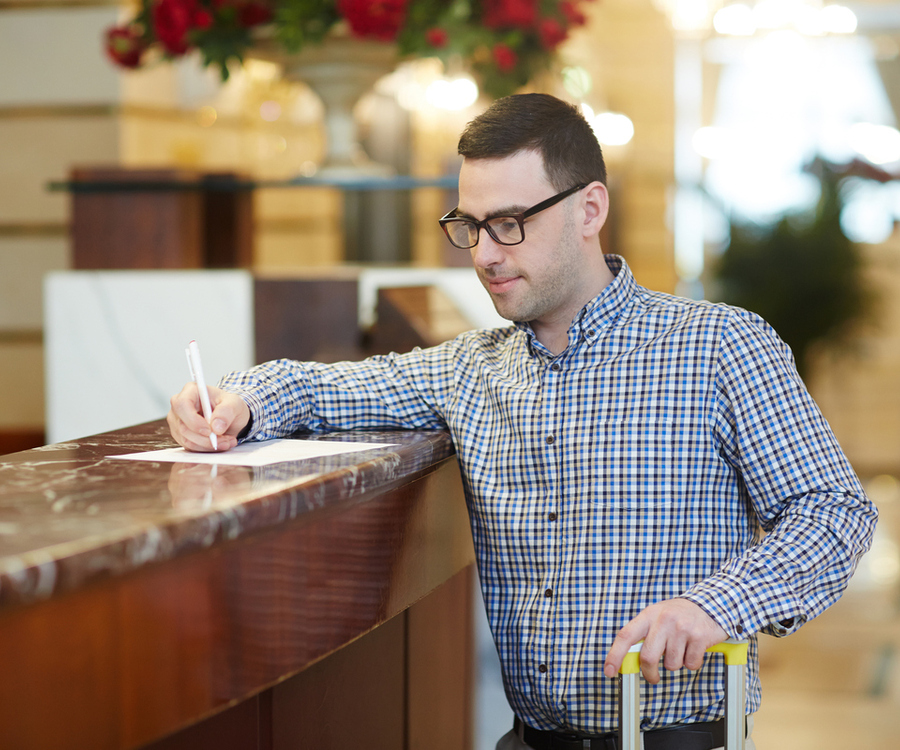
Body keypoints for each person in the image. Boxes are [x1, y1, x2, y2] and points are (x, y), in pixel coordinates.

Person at [168, 93, 877, 750]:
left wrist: (714, 607)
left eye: (510, 223)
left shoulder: (721, 346)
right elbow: (317, 388)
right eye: (469, 227)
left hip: (672, 735)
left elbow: (835, 513)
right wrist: (235, 399)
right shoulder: (468, 369)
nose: (484, 254)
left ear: (590, 207)